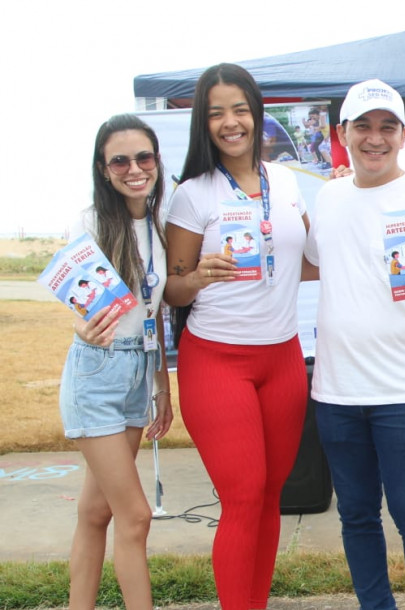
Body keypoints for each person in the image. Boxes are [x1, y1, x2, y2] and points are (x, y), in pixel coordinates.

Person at [301, 78, 405, 610]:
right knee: (357, 515)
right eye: (363, 127)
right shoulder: (327, 196)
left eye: (386, 127)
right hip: (336, 391)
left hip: (403, 390)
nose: (375, 138)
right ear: (342, 134)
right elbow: (311, 261)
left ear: (403, 135)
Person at [164, 63, 310, 610]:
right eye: (216, 112)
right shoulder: (192, 194)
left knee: (271, 497)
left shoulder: (288, 181)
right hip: (218, 361)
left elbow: (306, 259)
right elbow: (174, 289)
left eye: (239, 109)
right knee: (243, 498)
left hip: (284, 358)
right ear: (204, 123)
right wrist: (200, 275)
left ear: (257, 114)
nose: (230, 122)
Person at [61, 113, 173, 610]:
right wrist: (81, 324)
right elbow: (80, 303)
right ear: (104, 169)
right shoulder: (89, 223)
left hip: (139, 373)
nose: (134, 168)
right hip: (99, 373)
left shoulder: (160, 222)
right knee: (136, 517)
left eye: (143, 157)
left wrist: (162, 383)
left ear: (156, 161)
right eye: (120, 160)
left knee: (96, 513)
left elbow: (157, 306)